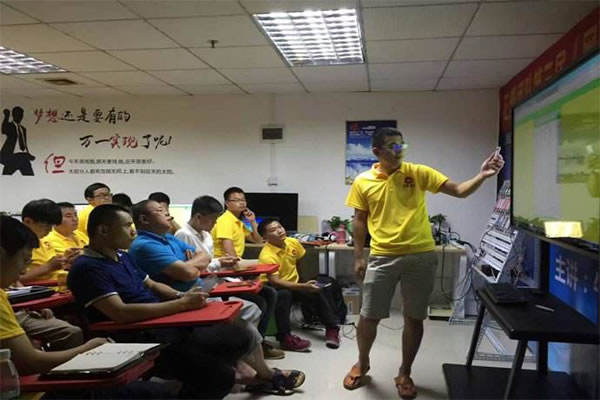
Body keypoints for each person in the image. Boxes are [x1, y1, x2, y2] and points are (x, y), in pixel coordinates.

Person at [69, 204, 304, 397]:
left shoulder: (122, 257)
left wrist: (183, 297)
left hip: (163, 322)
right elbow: (120, 313)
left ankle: (242, 373)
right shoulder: (88, 267)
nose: (133, 231)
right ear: (103, 231)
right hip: (138, 335)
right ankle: (233, 375)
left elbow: (152, 285)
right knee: (220, 374)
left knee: (239, 333)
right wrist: (181, 305)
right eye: (127, 226)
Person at [343, 127, 504, 399]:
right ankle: (362, 362)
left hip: (421, 255)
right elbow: (359, 220)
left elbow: (460, 191)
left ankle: (405, 372)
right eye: (393, 146)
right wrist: (359, 255)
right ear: (377, 151)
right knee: (369, 316)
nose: (399, 151)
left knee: (414, 317)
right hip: (382, 255)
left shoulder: (418, 172)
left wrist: (482, 175)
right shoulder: (363, 181)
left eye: (402, 145)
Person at [129, 199, 302, 389]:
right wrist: (192, 266)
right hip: (185, 299)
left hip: (201, 290)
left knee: (255, 305)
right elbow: (188, 272)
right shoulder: (146, 245)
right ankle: (261, 372)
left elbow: (204, 257)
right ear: (144, 219)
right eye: (160, 211)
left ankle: (246, 363)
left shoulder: (168, 238)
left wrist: (192, 264)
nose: (168, 214)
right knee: (249, 319)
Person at [0, 215, 172, 399]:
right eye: (25, 260)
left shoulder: (125, 257)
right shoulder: (88, 266)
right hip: (33, 394)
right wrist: (87, 349)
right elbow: (31, 362)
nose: (24, 271)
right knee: (156, 392)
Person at [211, 187, 278, 354]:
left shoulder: (237, 222)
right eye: (236, 200)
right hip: (224, 272)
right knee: (262, 297)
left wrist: (252, 221)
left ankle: (259, 341)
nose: (241, 203)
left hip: (234, 270)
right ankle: (254, 344)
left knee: (269, 293)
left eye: (243, 200)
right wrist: (247, 268)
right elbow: (231, 257)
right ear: (227, 203)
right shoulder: (225, 221)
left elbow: (258, 240)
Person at [258, 218, 341, 351]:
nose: (279, 231)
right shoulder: (267, 255)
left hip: (294, 284)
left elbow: (297, 262)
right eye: (273, 230)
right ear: (265, 237)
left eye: (280, 227)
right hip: (274, 287)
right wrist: (303, 286)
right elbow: (275, 281)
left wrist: (303, 282)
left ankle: (332, 328)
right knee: (284, 295)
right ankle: (285, 338)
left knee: (318, 286)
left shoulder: (292, 242)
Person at [19, 199, 78, 283]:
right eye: (46, 226)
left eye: (52, 226)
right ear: (28, 221)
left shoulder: (43, 240)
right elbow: (13, 279)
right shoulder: (16, 245)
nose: (50, 230)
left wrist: (65, 259)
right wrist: (48, 267)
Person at [1, 107, 35, 176]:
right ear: (13, 115)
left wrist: (27, 154)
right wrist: (7, 116)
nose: (20, 116)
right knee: (6, 177)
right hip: (12, 156)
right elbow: (4, 130)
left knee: (29, 176)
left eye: (21, 114)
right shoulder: (10, 126)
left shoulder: (23, 129)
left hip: (23, 157)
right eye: (18, 114)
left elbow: (24, 143)